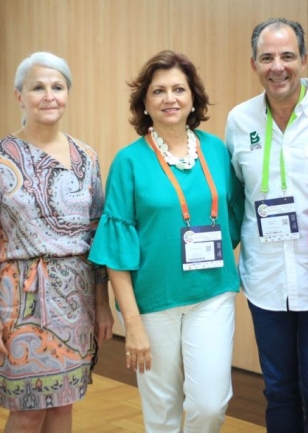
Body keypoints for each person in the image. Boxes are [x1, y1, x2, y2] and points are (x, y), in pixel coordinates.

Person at [88, 50, 244, 432]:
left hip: (212, 294)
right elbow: (116, 250)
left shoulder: (216, 150)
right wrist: (134, 324)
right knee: (162, 412)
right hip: (153, 305)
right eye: (158, 91)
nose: (169, 98)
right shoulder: (129, 161)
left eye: (179, 89)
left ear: (194, 97)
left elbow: (234, 218)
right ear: (145, 101)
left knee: (210, 404)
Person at [0, 51, 113, 433]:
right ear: (19, 96)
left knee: (63, 406)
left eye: (58, 87)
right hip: (20, 303)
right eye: (38, 87)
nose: (49, 96)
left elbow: (97, 236)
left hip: (76, 301)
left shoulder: (88, 157)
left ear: (67, 93)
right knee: (28, 411)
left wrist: (102, 305)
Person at [225, 18, 308, 432]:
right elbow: (235, 195)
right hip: (266, 279)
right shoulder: (239, 120)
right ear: (254, 64)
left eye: (288, 56)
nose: (278, 66)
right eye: (267, 57)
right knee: (277, 391)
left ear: (304, 60)